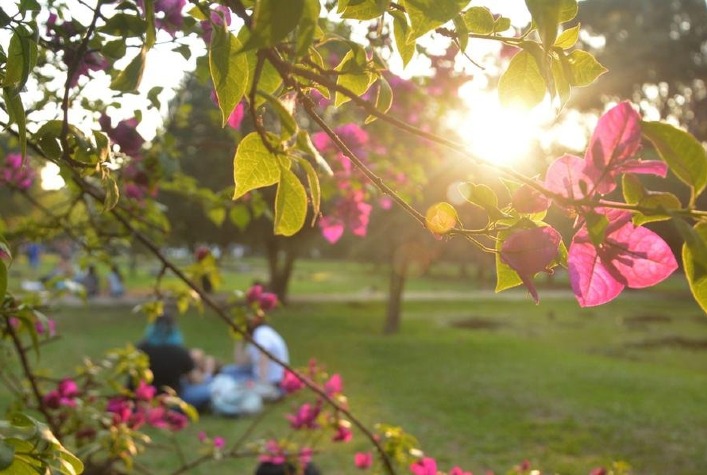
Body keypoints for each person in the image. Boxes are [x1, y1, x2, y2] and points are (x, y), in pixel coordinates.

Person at [136, 314, 215, 411]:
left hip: (144, 398)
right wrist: (208, 373)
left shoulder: (141, 349)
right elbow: (196, 380)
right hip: (173, 399)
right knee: (208, 391)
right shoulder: (179, 352)